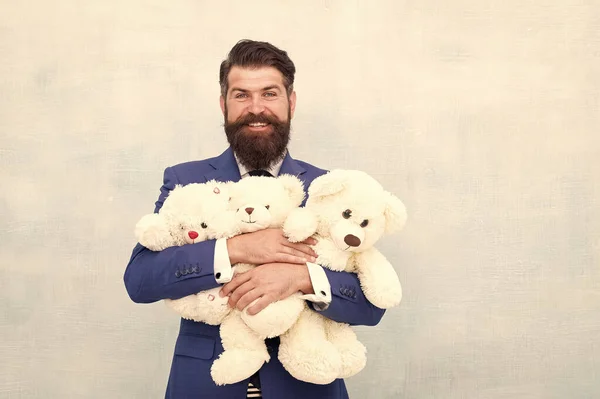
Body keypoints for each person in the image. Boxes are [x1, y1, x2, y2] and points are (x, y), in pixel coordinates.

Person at [124, 39, 386, 399]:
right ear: (224, 104)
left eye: (269, 93)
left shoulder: (330, 189)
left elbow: (372, 305)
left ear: (291, 102)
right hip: (206, 385)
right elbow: (140, 280)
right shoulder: (186, 180)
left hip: (308, 388)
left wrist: (302, 277)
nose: (256, 108)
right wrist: (235, 248)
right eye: (241, 95)